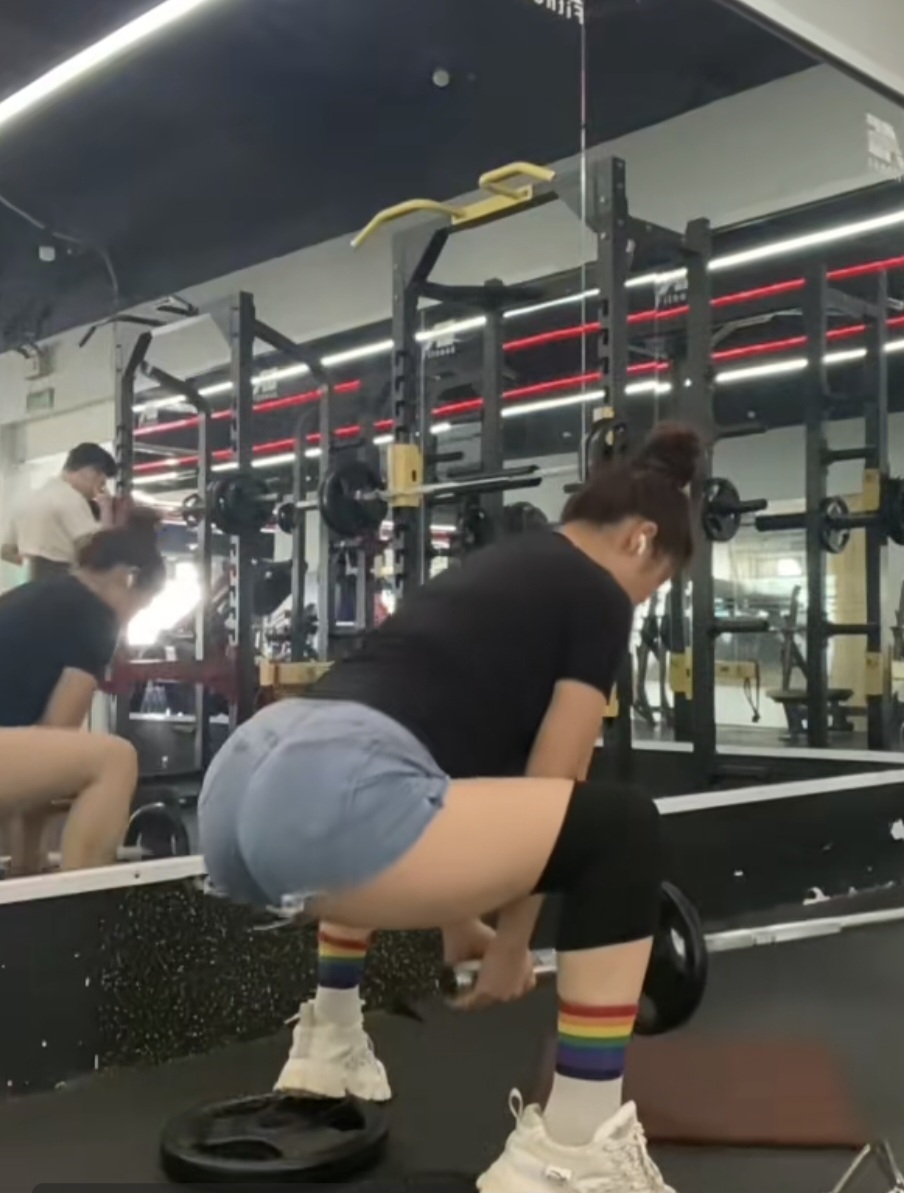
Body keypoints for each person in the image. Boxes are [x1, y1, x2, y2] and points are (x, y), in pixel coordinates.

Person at [199, 423, 702, 1193]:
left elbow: (443, 769)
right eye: (655, 582)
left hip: (242, 787)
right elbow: (558, 777)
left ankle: (330, 1040)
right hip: (335, 794)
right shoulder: (600, 594)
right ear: (641, 540)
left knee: (382, 787)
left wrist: (460, 919)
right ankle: (576, 1147)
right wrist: (511, 943)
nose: (643, 598)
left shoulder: (499, 566)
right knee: (623, 830)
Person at [0, 509, 166, 876]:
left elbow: (36, 750)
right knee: (115, 760)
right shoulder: (96, 616)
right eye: (144, 604)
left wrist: (28, 865)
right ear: (128, 578)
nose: (134, 616)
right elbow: (55, 734)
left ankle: (40, 883)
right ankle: (83, 904)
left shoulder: (39, 594)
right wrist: (30, 858)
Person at [1, 443, 117, 582]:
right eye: (101, 483)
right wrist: (106, 510)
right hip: (61, 579)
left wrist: (29, 562)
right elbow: (95, 551)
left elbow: (5, 551)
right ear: (92, 472)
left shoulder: (30, 498)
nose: (96, 492)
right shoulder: (70, 497)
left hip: (29, 582)